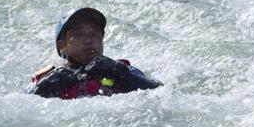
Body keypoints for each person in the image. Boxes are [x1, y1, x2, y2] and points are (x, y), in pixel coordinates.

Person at [29, 7, 161, 99]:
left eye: (94, 34)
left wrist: (120, 73)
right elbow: (25, 105)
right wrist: (47, 87)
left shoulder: (121, 69)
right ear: (62, 45)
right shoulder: (50, 78)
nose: (88, 40)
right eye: (79, 34)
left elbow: (159, 92)